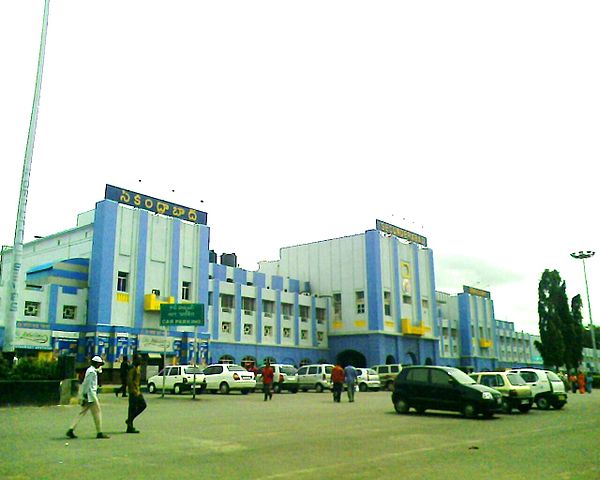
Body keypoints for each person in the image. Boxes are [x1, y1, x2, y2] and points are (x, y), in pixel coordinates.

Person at [66, 355, 110, 439]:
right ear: (96, 363)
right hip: (91, 396)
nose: (99, 365)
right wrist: (85, 395)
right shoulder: (91, 372)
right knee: (97, 413)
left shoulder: (91, 370)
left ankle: (71, 429)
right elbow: (86, 384)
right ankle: (99, 432)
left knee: (82, 413)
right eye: (99, 364)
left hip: (88, 395)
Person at [126, 354, 147, 433]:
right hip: (134, 392)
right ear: (135, 360)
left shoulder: (137, 368)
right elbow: (129, 381)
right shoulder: (132, 368)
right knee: (134, 408)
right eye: (139, 359)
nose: (140, 361)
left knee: (140, 406)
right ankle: (129, 424)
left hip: (137, 390)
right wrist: (134, 391)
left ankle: (129, 422)